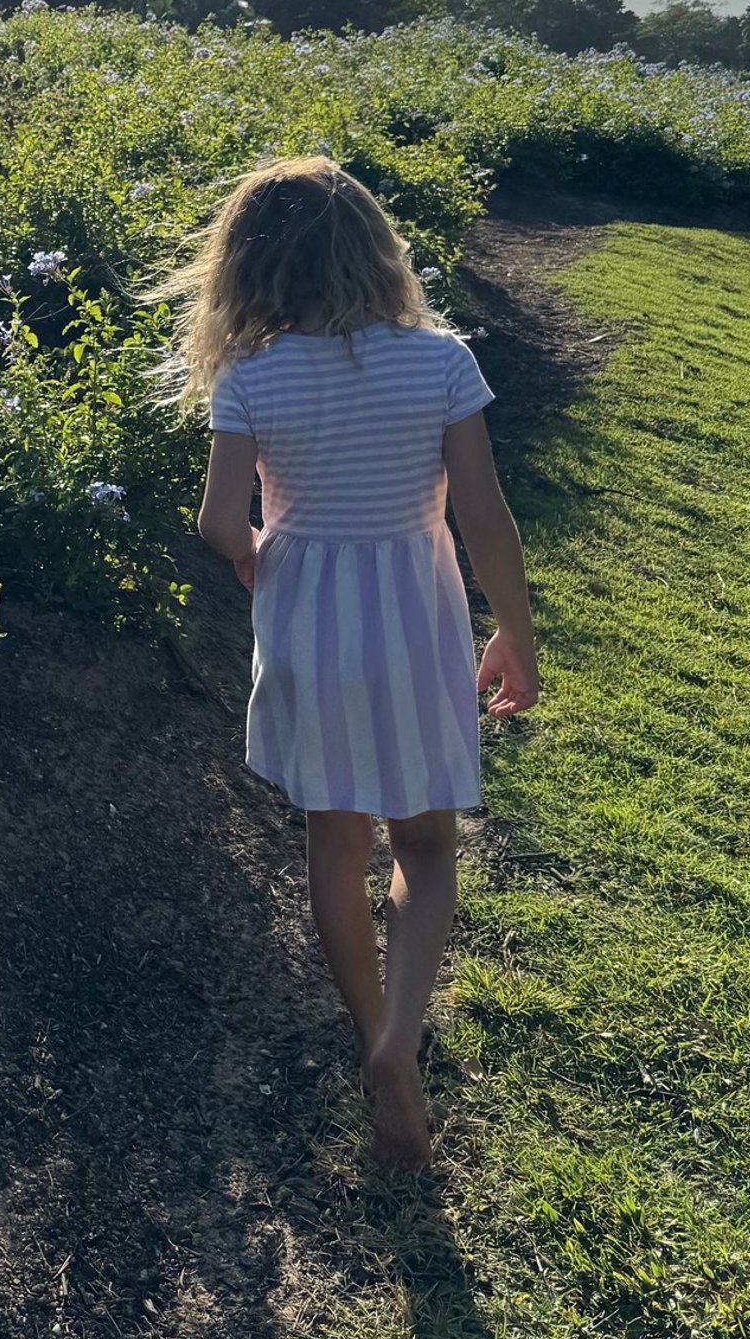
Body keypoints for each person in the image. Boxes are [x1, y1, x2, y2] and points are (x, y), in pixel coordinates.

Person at [166, 156, 540, 1170]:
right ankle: (395, 1044)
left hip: (309, 622)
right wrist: (512, 628)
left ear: (243, 267)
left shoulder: (250, 376)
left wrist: (256, 558)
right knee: (423, 843)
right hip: (416, 620)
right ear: (378, 251)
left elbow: (215, 520)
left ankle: (376, 1055)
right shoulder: (441, 362)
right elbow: (482, 514)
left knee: (334, 843)